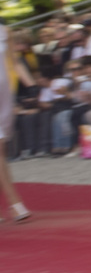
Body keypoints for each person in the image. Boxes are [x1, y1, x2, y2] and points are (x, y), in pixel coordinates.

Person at [0, 23, 35, 222]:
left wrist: (31, 85)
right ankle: (15, 204)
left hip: (3, 96)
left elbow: (15, 62)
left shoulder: (4, 31)